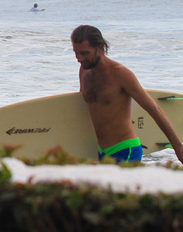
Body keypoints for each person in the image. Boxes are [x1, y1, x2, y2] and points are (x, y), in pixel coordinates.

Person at [72, 25, 183, 164]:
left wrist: (178, 148)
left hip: (126, 150)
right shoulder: (84, 70)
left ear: (99, 48)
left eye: (84, 53)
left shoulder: (120, 74)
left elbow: (154, 110)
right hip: (101, 151)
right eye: (76, 53)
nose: (78, 58)